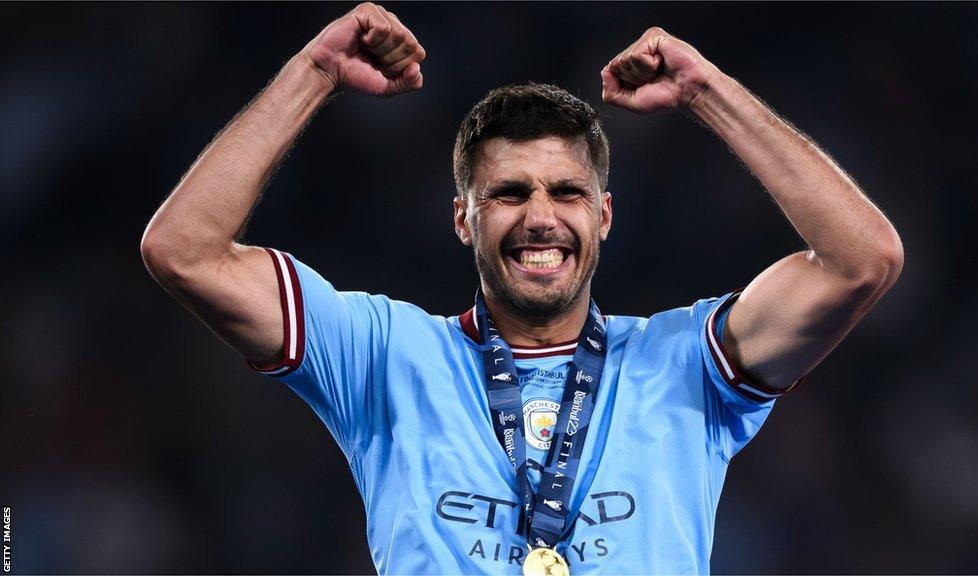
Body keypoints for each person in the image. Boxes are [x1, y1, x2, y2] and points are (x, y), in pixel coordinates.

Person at [141, 3, 903, 574]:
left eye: (566, 193)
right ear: (463, 220)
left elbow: (861, 260)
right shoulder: (384, 354)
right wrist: (313, 74)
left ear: (603, 216)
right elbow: (184, 252)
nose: (541, 219)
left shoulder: (686, 362)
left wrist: (709, 92)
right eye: (508, 193)